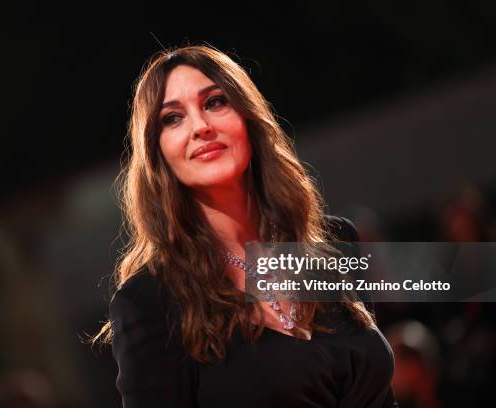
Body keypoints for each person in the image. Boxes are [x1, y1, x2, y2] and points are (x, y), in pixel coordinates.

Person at [93, 44, 398, 407]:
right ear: (158, 154)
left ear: (248, 118)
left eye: (215, 102)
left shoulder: (335, 244)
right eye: (172, 118)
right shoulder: (149, 301)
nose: (200, 127)